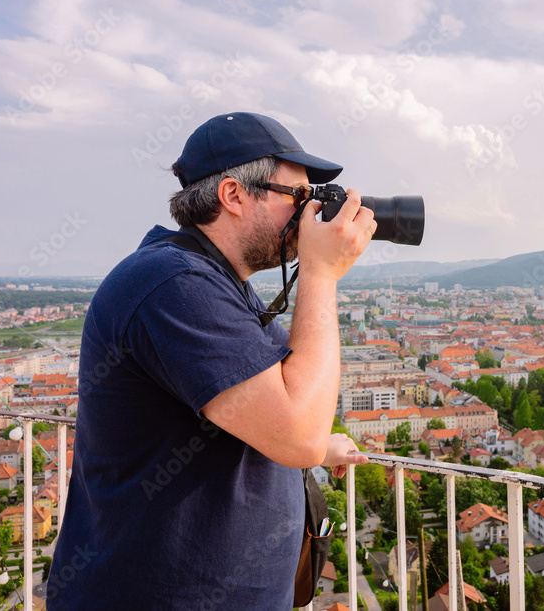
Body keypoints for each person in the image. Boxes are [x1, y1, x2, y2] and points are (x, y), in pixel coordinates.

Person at [48, 112, 373, 609]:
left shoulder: (214, 282)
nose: (310, 214)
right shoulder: (173, 284)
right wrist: (321, 273)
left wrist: (319, 447)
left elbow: (281, 393)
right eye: (299, 197)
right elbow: (299, 431)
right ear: (233, 195)